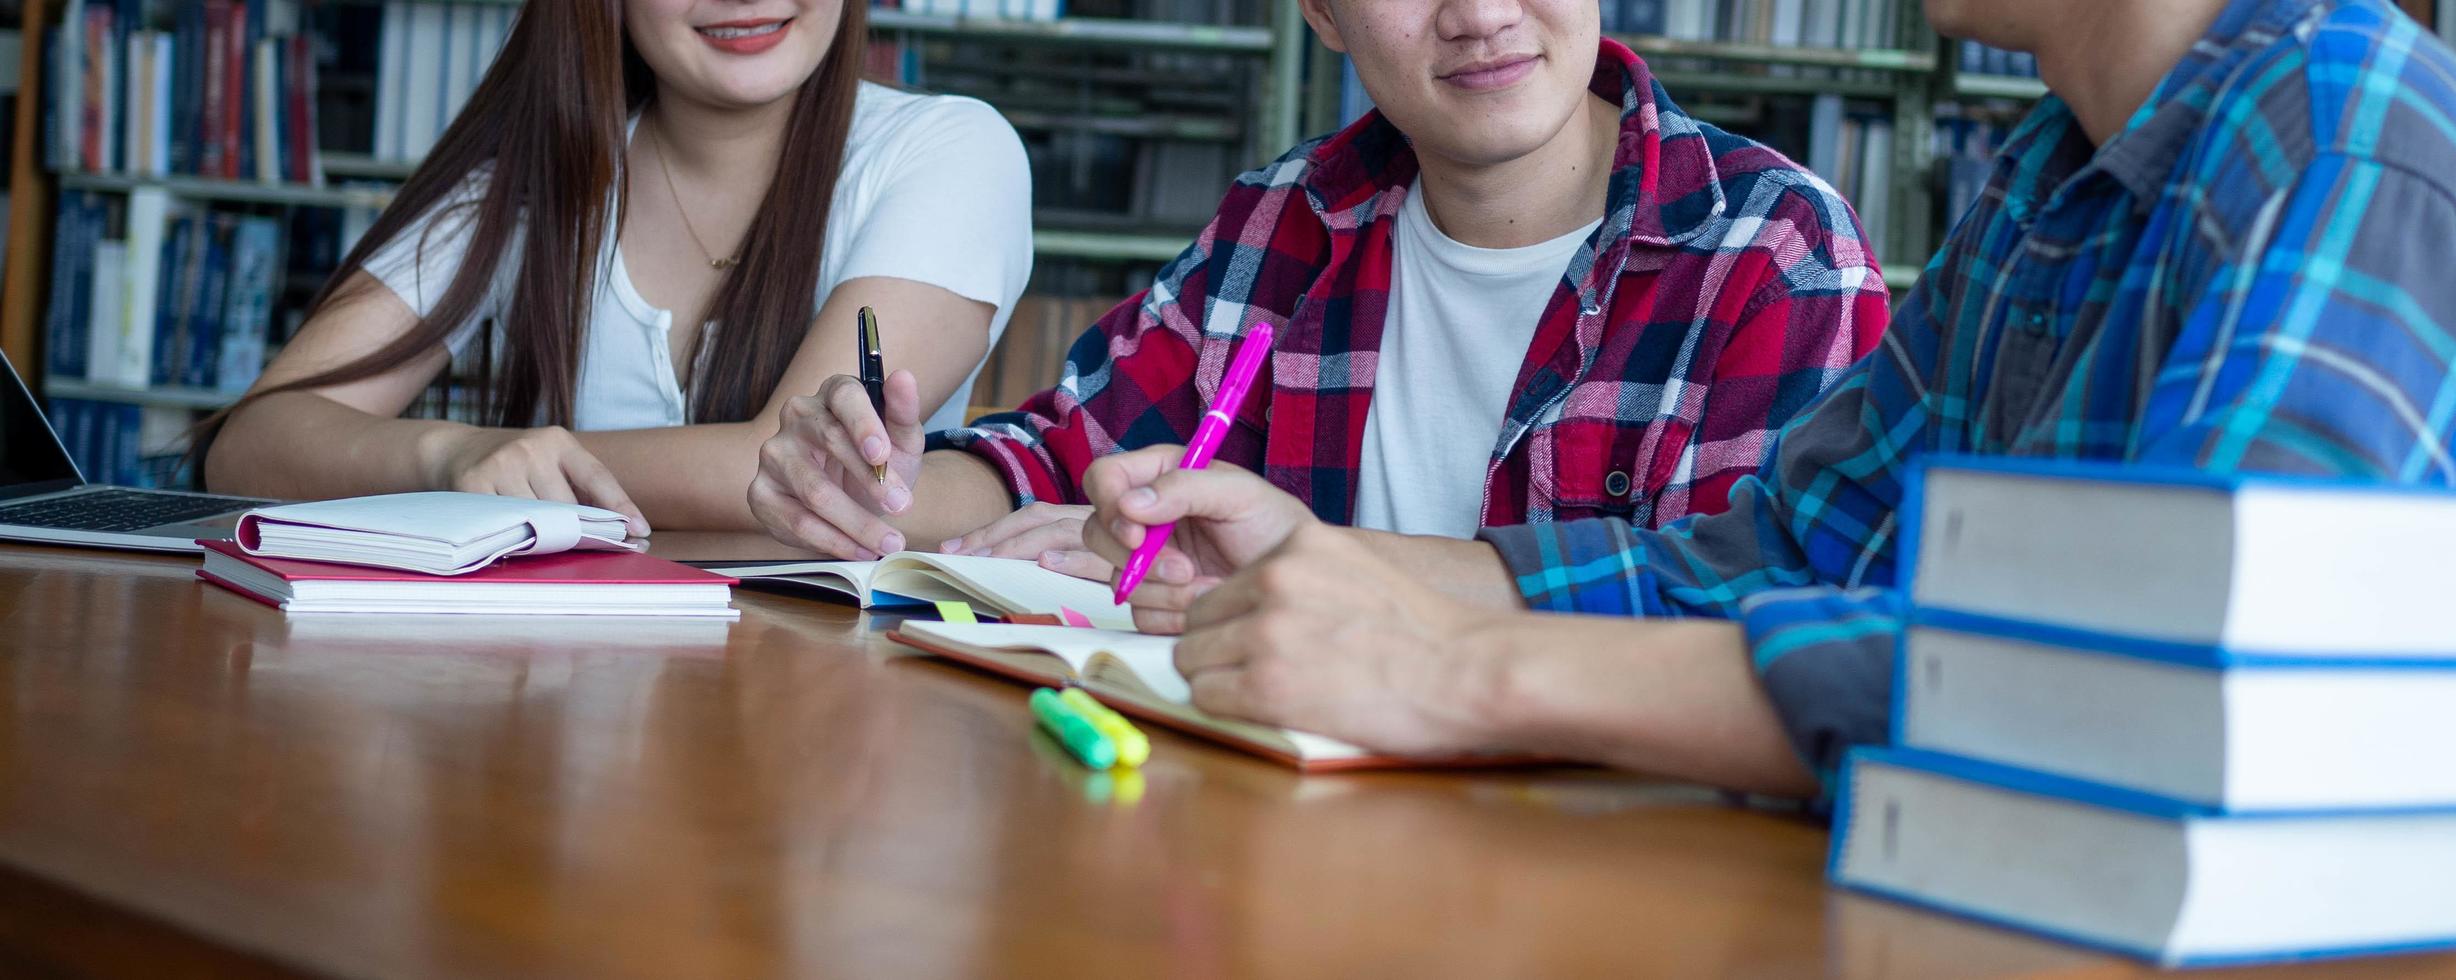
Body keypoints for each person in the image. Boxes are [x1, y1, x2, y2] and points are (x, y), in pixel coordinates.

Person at [1078, 0, 2456, 799]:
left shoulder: (2342, 125)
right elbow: (1785, 557)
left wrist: (1455, 671)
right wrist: (1343, 568)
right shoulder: (2048, 180)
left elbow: (2169, 688)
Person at [747, 0, 1892, 564]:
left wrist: (1305, 565)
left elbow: (1728, 617)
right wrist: (885, 483)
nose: (1478, 14)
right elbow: (1057, 465)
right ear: (1316, 12)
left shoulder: (1772, 252)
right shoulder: (1288, 220)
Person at [202, 0, 1032, 532]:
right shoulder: (534, 183)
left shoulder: (952, 152)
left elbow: (790, 471)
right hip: (573, 700)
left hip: (828, 712)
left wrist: (522, 467)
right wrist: (450, 458)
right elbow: (252, 444)